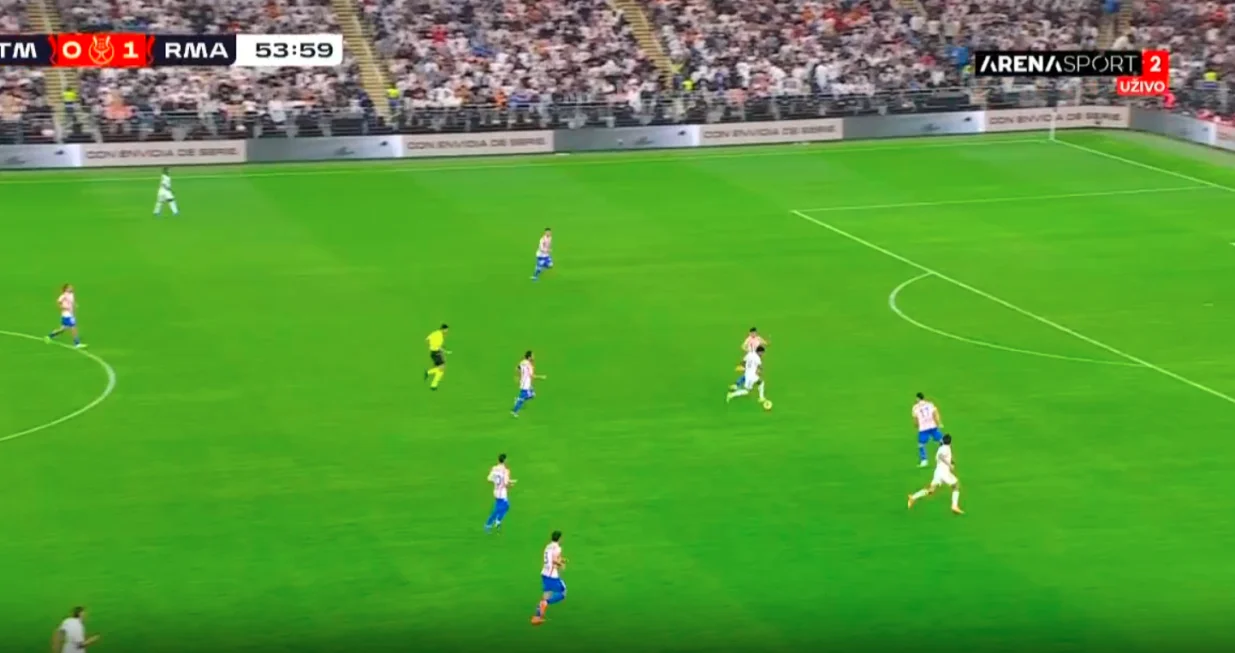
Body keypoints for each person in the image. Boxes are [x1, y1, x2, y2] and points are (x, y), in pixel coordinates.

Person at [908, 433, 964, 515]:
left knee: (931, 490)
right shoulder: (945, 448)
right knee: (956, 485)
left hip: (938, 472)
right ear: (950, 442)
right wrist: (949, 465)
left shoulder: (942, 447)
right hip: (944, 473)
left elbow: (946, 456)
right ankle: (954, 506)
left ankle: (913, 497)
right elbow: (941, 456)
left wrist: (952, 462)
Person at [531, 530, 567, 625]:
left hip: (545, 573)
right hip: (552, 576)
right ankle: (547, 602)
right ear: (559, 538)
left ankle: (537, 617)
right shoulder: (557, 548)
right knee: (563, 592)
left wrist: (561, 560)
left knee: (546, 594)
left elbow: (550, 558)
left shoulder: (548, 546)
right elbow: (554, 560)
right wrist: (561, 564)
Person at [46, 284, 85, 348]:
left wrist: (75, 304)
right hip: (67, 315)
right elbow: (58, 302)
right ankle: (77, 343)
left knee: (62, 329)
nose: (71, 288)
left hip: (70, 314)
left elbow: (71, 302)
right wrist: (63, 307)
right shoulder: (64, 295)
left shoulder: (71, 294)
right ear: (66, 289)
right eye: (69, 287)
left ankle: (49, 336)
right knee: (73, 328)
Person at [484, 453, 515, 532]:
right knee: (499, 509)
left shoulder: (494, 468)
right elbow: (506, 483)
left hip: (496, 491)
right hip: (502, 493)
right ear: (505, 460)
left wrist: (497, 481)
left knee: (506, 506)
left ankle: (497, 521)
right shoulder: (506, 471)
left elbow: (489, 479)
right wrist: (511, 485)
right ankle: (488, 524)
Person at [912, 392, 943, 467]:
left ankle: (924, 461)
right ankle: (945, 456)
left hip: (923, 428)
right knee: (941, 441)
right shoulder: (930, 404)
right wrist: (939, 423)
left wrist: (916, 425)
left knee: (921, 444)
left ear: (917, 398)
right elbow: (935, 413)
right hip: (932, 426)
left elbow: (915, 418)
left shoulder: (915, 407)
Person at [511, 351, 544, 417]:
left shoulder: (522, 362)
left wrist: (519, 376)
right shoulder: (529, 365)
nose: (534, 357)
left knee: (532, 395)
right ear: (529, 357)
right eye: (532, 355)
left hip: (524, 383)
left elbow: (517, 369)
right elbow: (532, 376)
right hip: (525, 385)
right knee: (522, 400)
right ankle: (514, 412)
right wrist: (541, 377)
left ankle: (518, 400)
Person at [424, 324, 449, 390]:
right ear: (443, 329)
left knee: (441, 369)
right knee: (442, 368)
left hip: (432, 352)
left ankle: (433, 384)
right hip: (436, 353)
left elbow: (427, 339)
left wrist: (431, 346)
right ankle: (430, 375)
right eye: (446, 330)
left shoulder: (435, 332)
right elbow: (439, 347)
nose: (447, 331)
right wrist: (446, 351)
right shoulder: (440, 337)